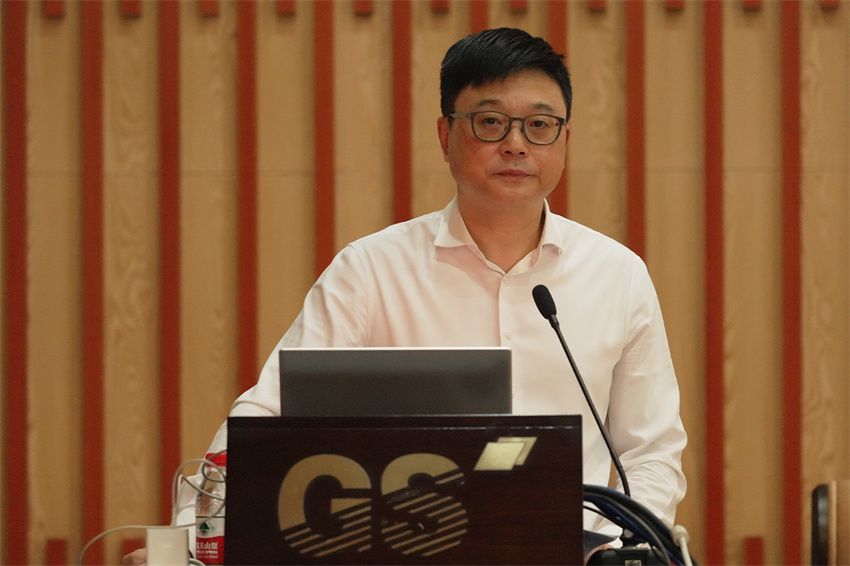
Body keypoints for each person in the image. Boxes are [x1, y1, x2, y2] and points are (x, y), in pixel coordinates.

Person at [124, 26, 686, 565]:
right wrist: (191, 540)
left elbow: (650, 448)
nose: (516, 145)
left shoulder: (618, 275)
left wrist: (622, 548)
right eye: (491, 122)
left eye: (540, 125)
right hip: (402, 551)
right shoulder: (371, 270)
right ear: (446, 136)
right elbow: (268, 414)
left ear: (564, 140)